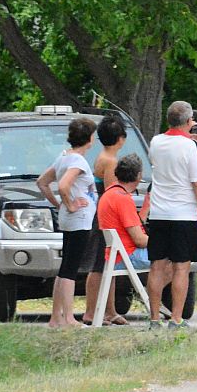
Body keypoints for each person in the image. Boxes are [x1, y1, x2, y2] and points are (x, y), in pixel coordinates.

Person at [148, 100, 197, 329]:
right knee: (181, 267)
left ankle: (154, 318)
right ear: (188, 121)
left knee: (157, 266)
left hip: (158, 212)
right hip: (184, 213)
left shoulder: (156, 142)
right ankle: (176, 318)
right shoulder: (190, 146)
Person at [36, 117, 99, 330]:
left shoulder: (63, 157)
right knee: (71, 269)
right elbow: (63, 185)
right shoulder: (78, 162)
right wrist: (70, 204)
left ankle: (56, 317)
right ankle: (70, 318)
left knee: (65, 268)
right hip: (78, 219)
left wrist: (60, 205)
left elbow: (42, 182)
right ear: (89, 139)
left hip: (69, 218)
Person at [92, 153, 150, 325]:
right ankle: (153, 299)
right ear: (138, 175)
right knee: (174, 259)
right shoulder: (123, 199)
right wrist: (162, 241)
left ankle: (146, 297)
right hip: (127, 255)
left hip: (113, 255)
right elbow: (139, 240)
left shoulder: (108, 194)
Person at [80, 115, 128, 324]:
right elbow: (111, 192)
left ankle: (110, 310)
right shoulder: (111, 161)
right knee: (99, 265)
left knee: (110, 265)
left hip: (99, 214)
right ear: (121, 138)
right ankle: (91, 312)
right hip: (104, 218)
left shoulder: (103, 156)